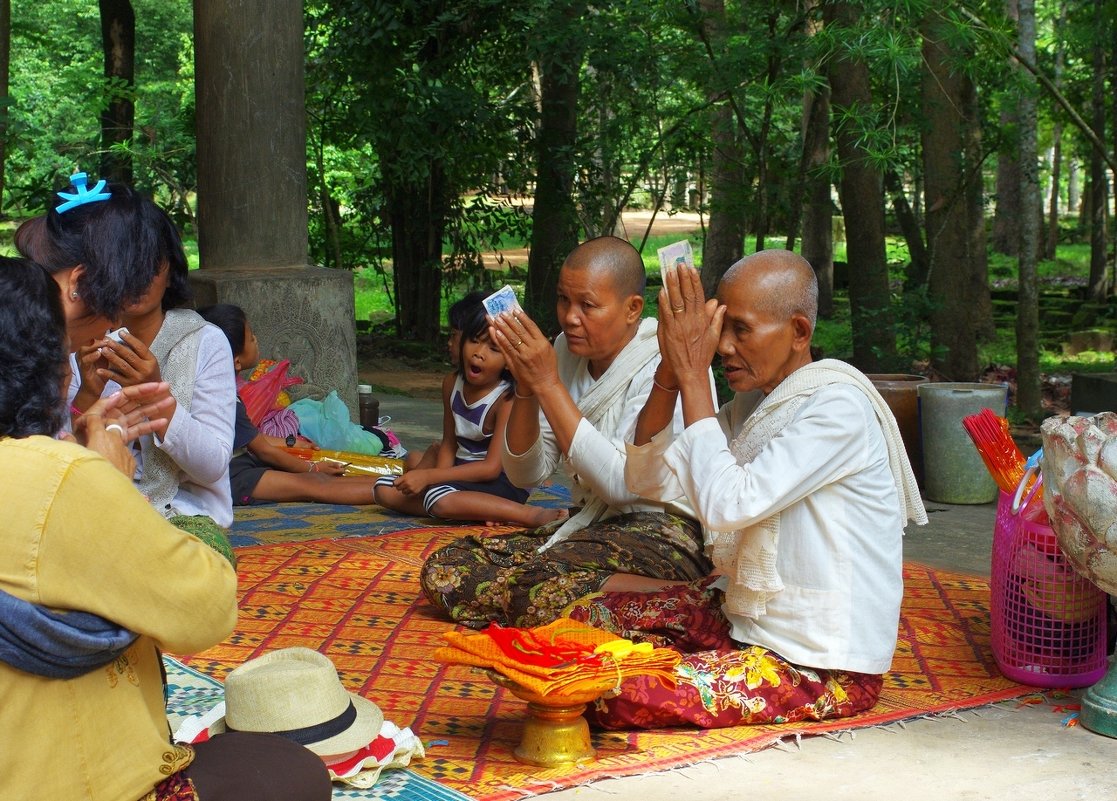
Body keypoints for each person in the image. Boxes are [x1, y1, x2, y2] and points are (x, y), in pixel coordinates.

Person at [0, 258, 331, 801]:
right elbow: (208, 609)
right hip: (70, 779)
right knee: (287, 771)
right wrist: (107, 485)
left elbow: (209, 456)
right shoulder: (65, 480)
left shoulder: (201, 341)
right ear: (56, 366)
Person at [566, 250, 927, 730]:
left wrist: (696, 375)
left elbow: (728, 504)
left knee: (603, 690)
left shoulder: (838, 407)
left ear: (799, 332)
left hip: (819, 663)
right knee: (581, 620)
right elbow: (647, 477)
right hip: (744, 624)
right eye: (720, 330)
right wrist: (671, 373)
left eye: (741, 330)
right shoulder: (754, 405)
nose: (723, 348)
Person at [419, 236, 714, 628]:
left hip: (665, 533)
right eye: (563, 300)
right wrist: (526, 387)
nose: (570, 317)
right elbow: (528, 474)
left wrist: (547, 383)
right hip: (594, 528)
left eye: (587, 306)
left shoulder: (669, 356)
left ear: (632, 309)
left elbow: (621, 486)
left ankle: (682, 599)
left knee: (541, 578)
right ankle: (641, 606)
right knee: (446, 569)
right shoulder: (562, 351)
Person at [65, 189, 237, 528]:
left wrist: (158, 397)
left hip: (186, 514)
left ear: (170, 268)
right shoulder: (85, 346)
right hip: (100, 509)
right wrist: (86, 394)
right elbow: (59, 454)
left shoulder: (205, 341)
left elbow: (213, 465)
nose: (138, 280)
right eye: (126, 265)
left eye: (150, 264)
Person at [374, 298, 567, 527]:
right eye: (474, 341)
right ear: (462, 340)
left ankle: (528, 515)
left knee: (439, 500)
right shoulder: (450, 383)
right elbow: (449, 444)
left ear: (509, 361)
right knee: (384, 489)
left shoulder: (506, 399)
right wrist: (435, 482)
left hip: (502, 483)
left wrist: (429, 478)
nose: (479, 354)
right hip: (461, 476)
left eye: (494, 349)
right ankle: (472, 509)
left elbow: (491, 469)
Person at [198, 303, 396, 506]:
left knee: (312, 476)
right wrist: (312, 468)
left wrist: (291, 443)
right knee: (315, 484)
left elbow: (250, 438)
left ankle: (397, 482)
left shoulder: (212, 389)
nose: (256, 340)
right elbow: (263, 450)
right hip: (231, 478)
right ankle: (398, 491)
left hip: (234, 466)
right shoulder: (224, 398)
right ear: (236, 361)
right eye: (251, 338)